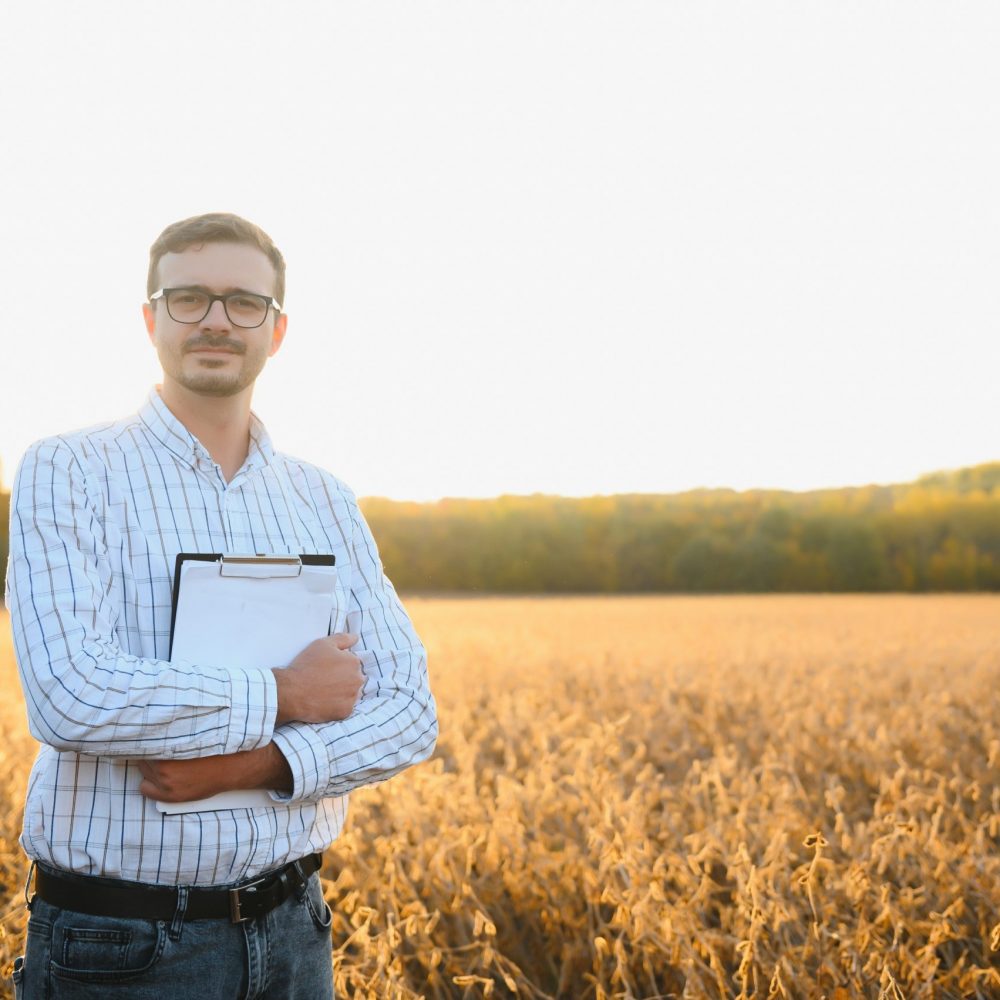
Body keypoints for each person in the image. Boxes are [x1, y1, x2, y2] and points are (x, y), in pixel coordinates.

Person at [4, 212, 438, 999]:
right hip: (120, 947)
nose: (215, 320)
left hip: (297, 930)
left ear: (277, 331)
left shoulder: (323, 498)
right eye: (188, 297)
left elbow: (409, 710)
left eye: (244, 302)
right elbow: (72, 694)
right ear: (150, 319)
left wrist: (262, 762)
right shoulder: (69, 469)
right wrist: (287, 693)